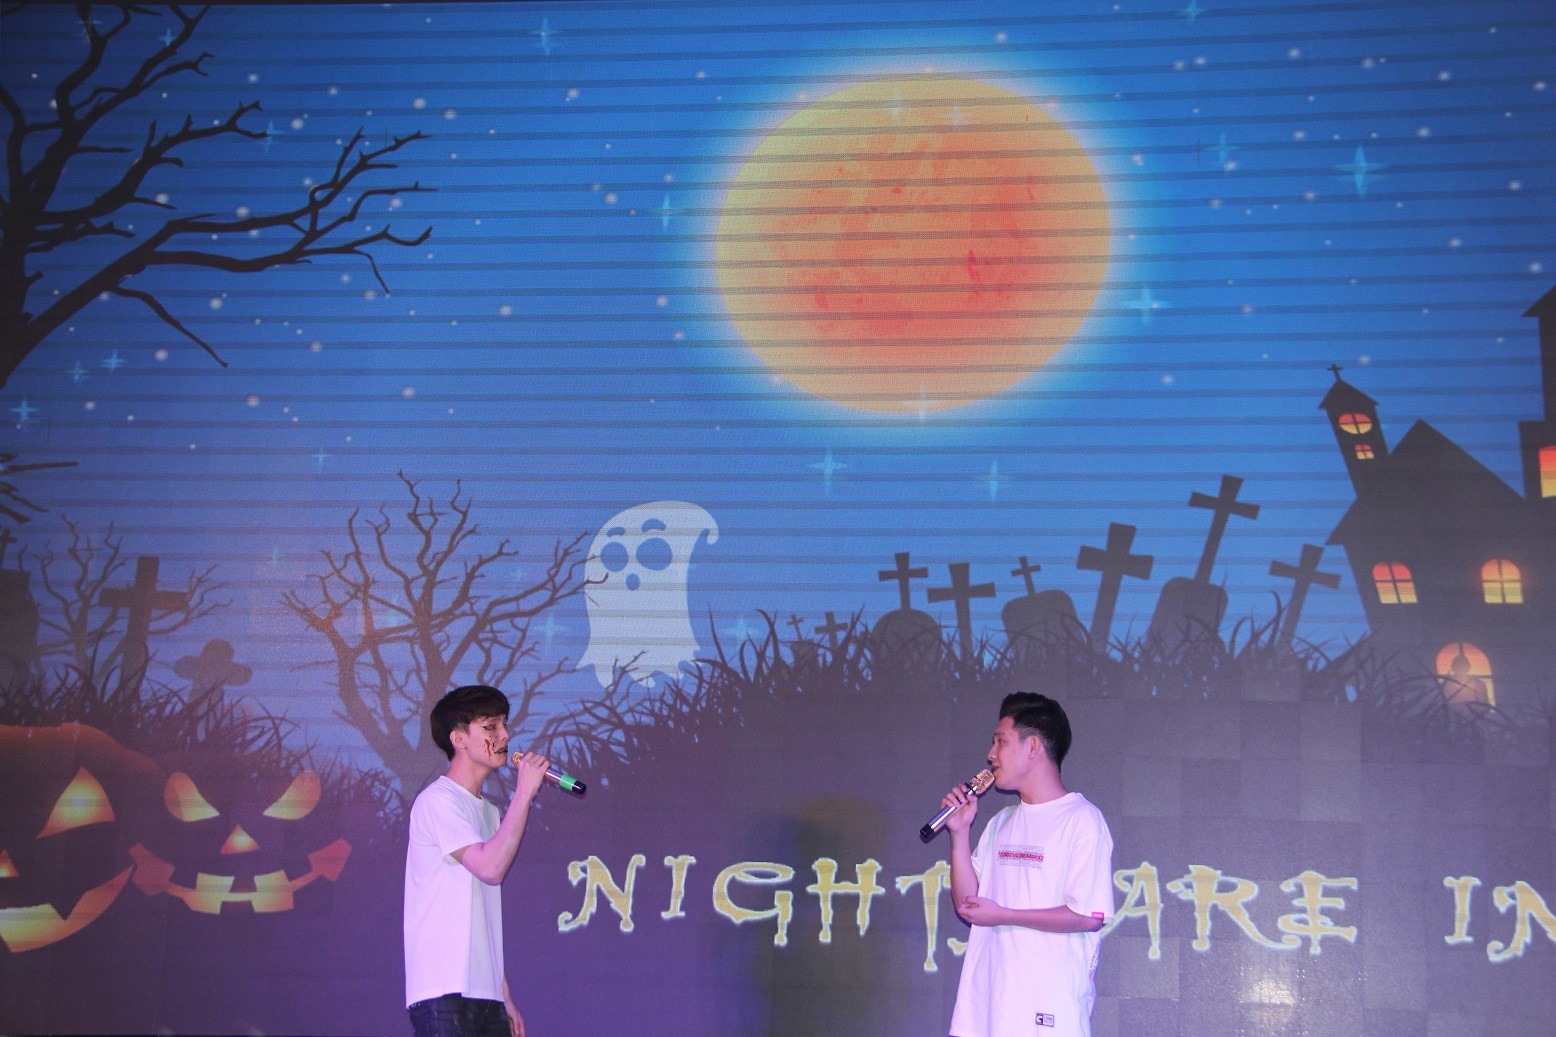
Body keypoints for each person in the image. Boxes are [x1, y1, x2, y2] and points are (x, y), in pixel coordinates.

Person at [941, 692, 1115, 1037]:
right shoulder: (1001, 823)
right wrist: (959, 833)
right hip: (986, 1012)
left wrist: (1004, 915)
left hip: (1047, 1015)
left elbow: (1088, 916)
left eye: (1001, 742)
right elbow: (968, 905)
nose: (991, 754)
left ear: (1033, 746)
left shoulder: (1082, 820)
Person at [404, 684, 552, 1037]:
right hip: (444, 989)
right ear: (458, 739)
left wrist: (504, 995)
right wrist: (524, 793)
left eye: (504, 725)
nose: (504, 735)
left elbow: (481, 914)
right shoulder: (438, 801)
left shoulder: (489, 813)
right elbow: (490, 868)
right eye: (490, 727)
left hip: (485, 993)